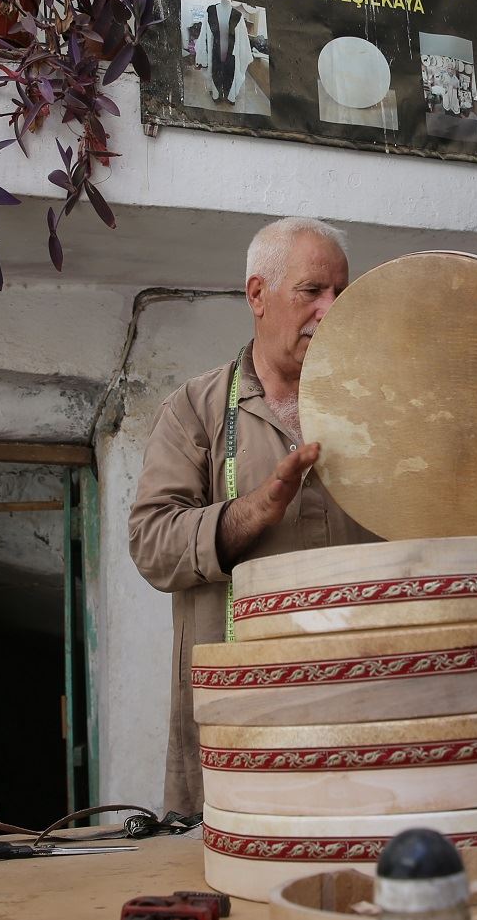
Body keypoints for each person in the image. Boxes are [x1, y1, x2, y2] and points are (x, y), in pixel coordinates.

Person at [128, 217, 379, 814]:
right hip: (242, 716)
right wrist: (254, 510)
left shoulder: (381, 404)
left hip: (364, 705)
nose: (332, 308)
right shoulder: (195, 410)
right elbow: (152, 544)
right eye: (312, 290)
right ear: (257, 295)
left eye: (341, 292)